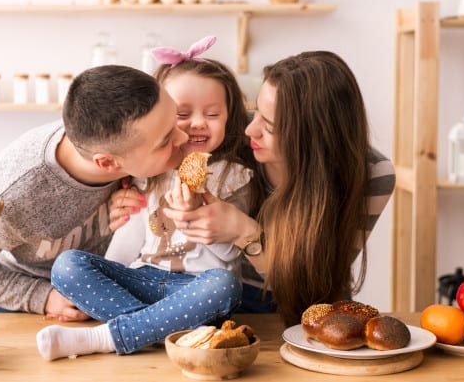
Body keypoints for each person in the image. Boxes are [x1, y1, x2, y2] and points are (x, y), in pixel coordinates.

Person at [110, 51, 396, 327]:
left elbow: (317, 288)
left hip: (305, 304)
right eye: (256, 111)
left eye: (269, 126)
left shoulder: (373, 175)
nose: (250, 130)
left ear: (315, 140)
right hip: (226, 298)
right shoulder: (230, 135)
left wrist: (244, 233)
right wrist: (124, 194)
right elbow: (141, 149)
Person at [35, 36, 262, 359]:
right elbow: (130, 238)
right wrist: (101, 280)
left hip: (194, 289)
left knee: (224, 286)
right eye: (183, 114)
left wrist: (203, 211)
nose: (197, 123)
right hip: (143, 277)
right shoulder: (149, 170)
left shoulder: (236, 177)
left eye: (212, 115)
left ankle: (107, 337)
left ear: (230, 118)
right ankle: (157, 329)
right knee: (67, 266)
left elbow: (227, 256)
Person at [0, 65, 188, 321]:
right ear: (107, 164)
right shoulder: (12, 197)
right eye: (166, 140)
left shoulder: (122, 138)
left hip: (102, 292)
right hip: (27, 308)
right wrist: (41, 297)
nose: (183, 136)